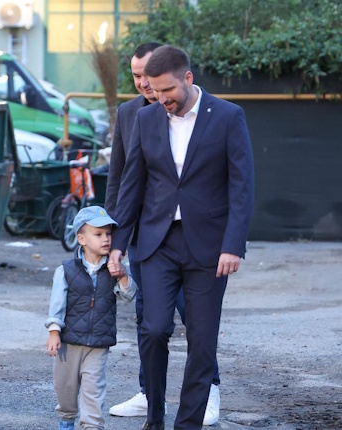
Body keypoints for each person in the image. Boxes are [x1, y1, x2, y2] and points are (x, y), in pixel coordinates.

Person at [108, 45, 254, 430]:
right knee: (153, 329)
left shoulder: (227, 117)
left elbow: (242, 185)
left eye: (167, 91)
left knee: (202, 342)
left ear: (188, 79)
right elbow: (132, 184)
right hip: (157, 242)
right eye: (154, 91)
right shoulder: (147, 118)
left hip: (209, 247)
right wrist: (118, 242)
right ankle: (154, 418)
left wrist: (232, 245)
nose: (161, 99)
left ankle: (186, 424)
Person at [45, 206, 136, 430]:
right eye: (98, 234)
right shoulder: (66, 270)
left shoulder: (113, 269)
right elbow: (57, 303)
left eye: (108, 234)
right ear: (81, 239)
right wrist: (54, 331)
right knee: (65, 388)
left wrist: (123, 276)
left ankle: (91, 425)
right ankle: (66, 421)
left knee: (93, 389)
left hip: (98, 342)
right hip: (68, 343)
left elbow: (129, 295)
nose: (105, 239)